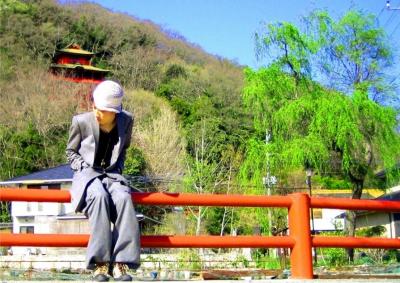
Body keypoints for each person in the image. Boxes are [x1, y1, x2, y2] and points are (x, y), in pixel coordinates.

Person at [66, 80, 140, 282]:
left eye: (102, 110)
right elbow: (71, 152)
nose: (96, 112)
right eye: (95, 107)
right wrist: (83, 169)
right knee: (98, 197)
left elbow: (124, 149)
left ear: (114, 111)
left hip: (113, 174)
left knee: (124, 198)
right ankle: (100, 264)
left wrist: (119, 169)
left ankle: (120, 263)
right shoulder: (81, 121)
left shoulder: (127, 121)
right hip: (88, 174)